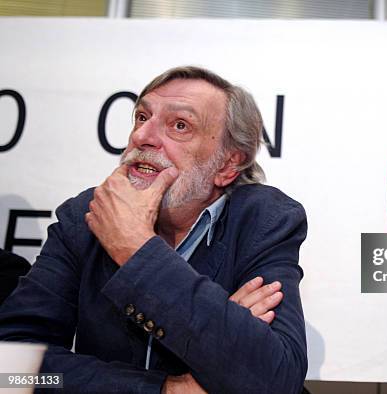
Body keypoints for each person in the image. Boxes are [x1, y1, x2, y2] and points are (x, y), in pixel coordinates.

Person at [0, 66, 308, 393]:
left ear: (227, 165)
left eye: (179, 125)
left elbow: (277, 380)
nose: (142, 136)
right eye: (142, 116)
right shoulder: (85, 215)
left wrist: (136, 250)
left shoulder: (264, 219)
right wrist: (165, 388)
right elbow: (12, 367)